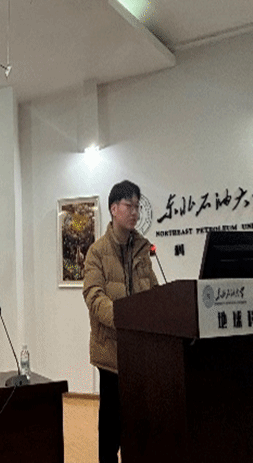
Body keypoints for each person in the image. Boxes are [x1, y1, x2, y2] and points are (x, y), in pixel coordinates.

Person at [82, 179, 158, 463]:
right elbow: (93, 296)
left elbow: (153, 290)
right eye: (129, 205)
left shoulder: (142, 250)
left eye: (138, 206)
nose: (135, 212)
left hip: (141, 354)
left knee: (138, 429)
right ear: (114, 209)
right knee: (111, 431)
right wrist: (125, 317)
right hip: (111, 353)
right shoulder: (97, 252)